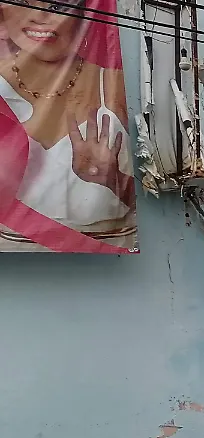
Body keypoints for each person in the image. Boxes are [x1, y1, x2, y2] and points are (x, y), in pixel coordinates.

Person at [0, 0, 137, 253]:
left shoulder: (114, 84)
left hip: (106, 270)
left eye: (57, 6)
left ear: (85, 12)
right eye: (22, 2)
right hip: (14, 275)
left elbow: (169, 193)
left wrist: (115, 180)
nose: (40, 17)